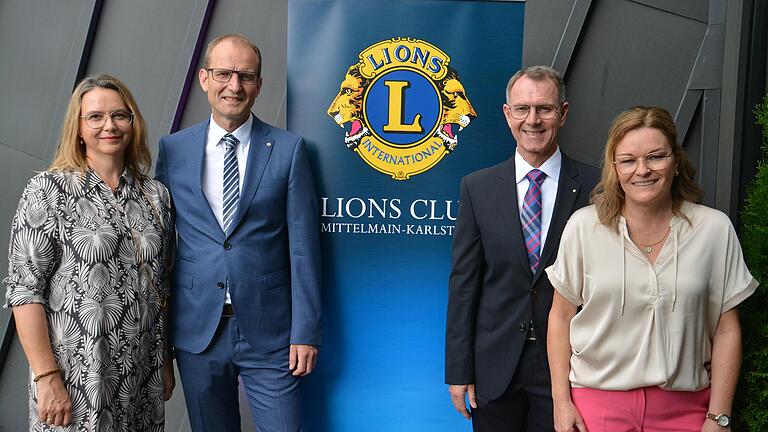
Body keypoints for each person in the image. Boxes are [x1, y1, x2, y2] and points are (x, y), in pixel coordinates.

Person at [546, 106, 758, 432]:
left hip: (686, 413)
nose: (642, 170)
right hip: (597, 411)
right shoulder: (583, 228)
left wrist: (719, 416)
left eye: (655, 157)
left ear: (675, 162)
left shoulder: (714, 230)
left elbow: (727, 329)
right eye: (628, 160)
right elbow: (560, 319)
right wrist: (561, 403)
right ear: (614, 169)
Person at [155, 34, 321, 432]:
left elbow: (304, 247)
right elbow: (160, 251)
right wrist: (160, 343)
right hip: (198, 333)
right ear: (204, 78)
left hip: (273, 331)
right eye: (224, 74)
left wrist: (306, 331)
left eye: (246, 76)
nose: (234, 86)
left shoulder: (288, 149)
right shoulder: (173, 150)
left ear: (259, 85)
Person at [3, 74, 175, 431]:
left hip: (141, 379)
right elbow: (24, 290)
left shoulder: (156, 196)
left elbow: (163, 287)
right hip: (75, 379)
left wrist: (165, 364)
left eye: (119, 115)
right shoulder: (48, 191)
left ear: (133, 122)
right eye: (95, 116)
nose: (109, 125)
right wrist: (46, 376)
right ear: (78, 127)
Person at [445, 65, 599, 431]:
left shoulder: (598, 186)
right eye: (522, 109)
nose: (533, 120)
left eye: (544, 108)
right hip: (494, 367)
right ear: (507, 114)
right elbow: (464, 283)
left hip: (571, 366)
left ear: (563, 113)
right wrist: (458, 369)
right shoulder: (477, 188)